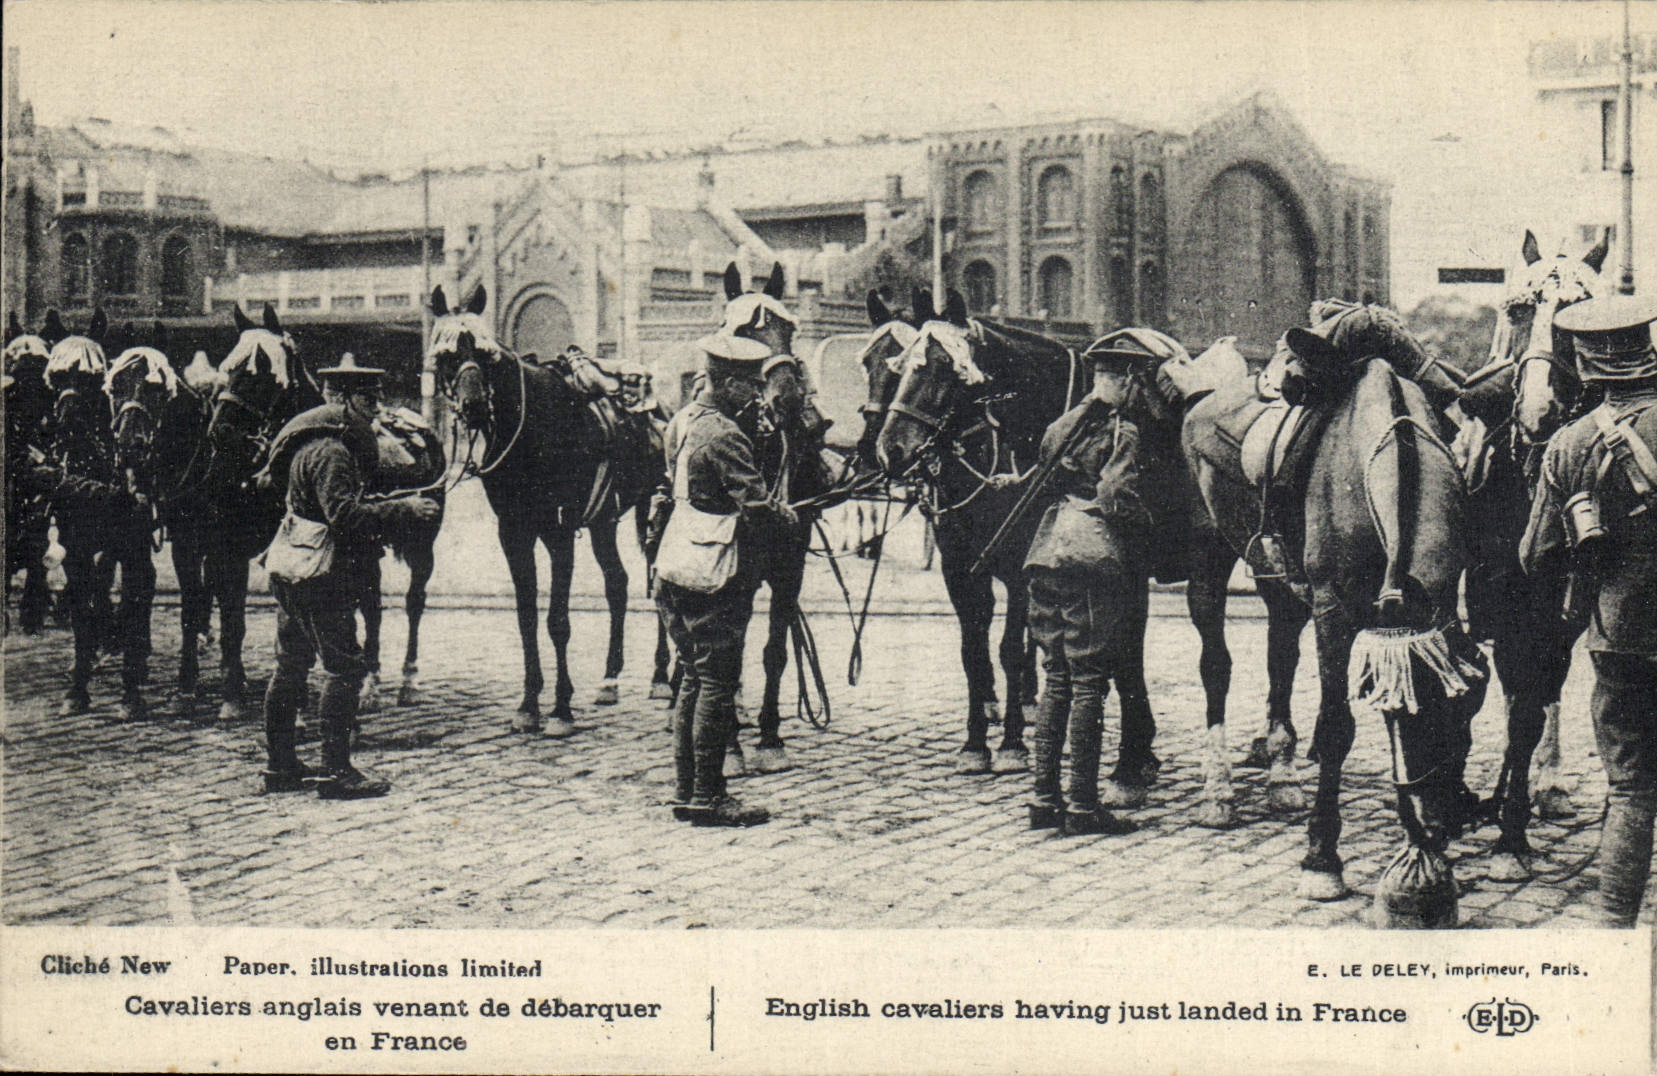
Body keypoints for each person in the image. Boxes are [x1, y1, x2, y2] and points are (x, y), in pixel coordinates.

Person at [1520, 294, 1657, 926]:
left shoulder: (1569, 444)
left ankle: (1612, 930)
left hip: (1622, 639)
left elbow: (1535, 557)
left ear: (1582, 363)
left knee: (1631, 789)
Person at [1024, 327, 1186, 836]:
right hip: (1092, 554)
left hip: (1048, 549)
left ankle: (1042, 798)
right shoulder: (1124, 432)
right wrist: (1145, 523)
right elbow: (1116, 497)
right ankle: (1082, 806)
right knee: (1090, 679)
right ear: (1129, 381)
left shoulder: (1062, 425)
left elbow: (1043, 472)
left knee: (1056, 677)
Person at [257, 354, 440, 799]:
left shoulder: (308, 443)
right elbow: (344, 516)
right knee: (343, 668)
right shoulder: (333, 453)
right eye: (366, 399)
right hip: (322, 575)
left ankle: (280, 765)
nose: (375, 408)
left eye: (376, 398)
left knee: (291, 665)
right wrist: (405, 508)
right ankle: (335, 771)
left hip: (293, 569)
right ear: (340, 400)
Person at [649, 333, 796, 826]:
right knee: (717, 680)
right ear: (730, 383)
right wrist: (784, 517)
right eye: (751, 387)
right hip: (713, 573)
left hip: (674, 561)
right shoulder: (727, 435)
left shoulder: (683, 421)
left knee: (692, 675)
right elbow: (754, 506)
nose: (757, 396)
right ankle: (711, 797)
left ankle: (689, 791)